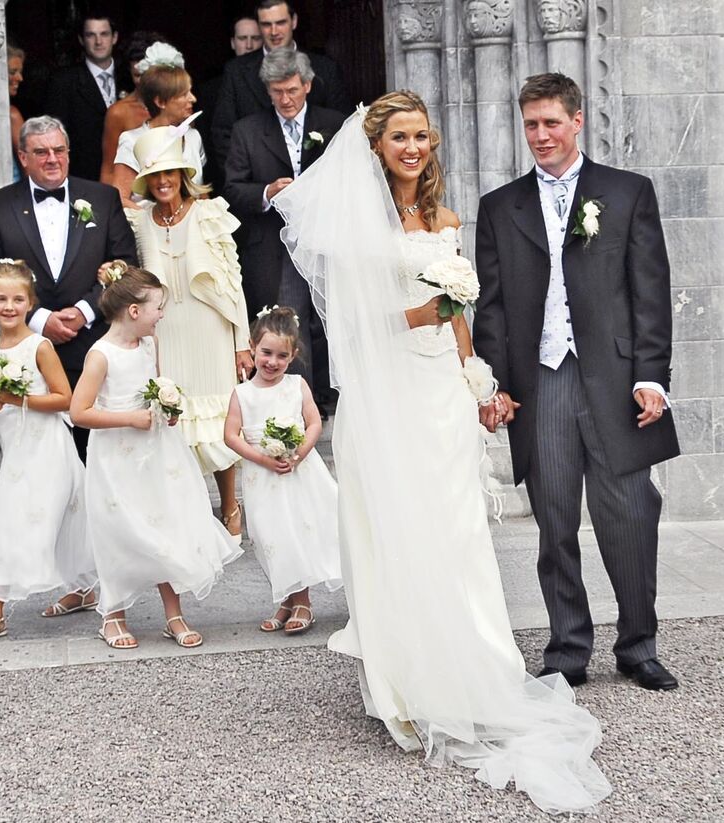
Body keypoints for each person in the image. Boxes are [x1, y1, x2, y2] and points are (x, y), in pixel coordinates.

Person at [272, 92, 611, 814]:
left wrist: (477, 383)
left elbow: (461, 321)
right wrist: (422, 313)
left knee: (458, 533)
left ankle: (476, 668)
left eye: (422, 135)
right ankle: (409, 685)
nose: (413, 147)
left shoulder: (448, 220)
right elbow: (352, 330)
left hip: (441, 393)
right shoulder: (359, 229)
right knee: (402, 533)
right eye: (399, 136)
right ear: (377, 145)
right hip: (386, 394)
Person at [473, 73, 682, 691]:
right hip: (543, 382)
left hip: (616, 383)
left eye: (551, 123)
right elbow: (492, 307)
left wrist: (652, 377)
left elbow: (651, 293)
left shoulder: (627, 192)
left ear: (577, 121)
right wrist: (498, 384)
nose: (541, 135)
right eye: (531, 124)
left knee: (629, 517)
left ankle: (638, 645)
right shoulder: (499, 206)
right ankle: (568, 647)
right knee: (555, 522)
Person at [0, 114, 137, 618]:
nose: (52, 160)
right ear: (23, 157)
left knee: (99, 469)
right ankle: (75, 579)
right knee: (51, 479)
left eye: (60, 150)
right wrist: (41, 317)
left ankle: (103, 581)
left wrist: (87, 309)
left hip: (96, 347)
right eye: (41, 152)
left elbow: (123, 261)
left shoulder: (104, 198)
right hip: (33, 346)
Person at [69, 267, 243, 649]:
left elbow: (156, 385)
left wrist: (169, 408)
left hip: (158, 450)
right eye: (158, 307)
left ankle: (173, 613)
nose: (162, 314)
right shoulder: (101, 356)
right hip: (117, 457)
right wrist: (129, 418)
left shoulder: (150, 344)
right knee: (120, 529)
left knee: (165, 523)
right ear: (134, 311)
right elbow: (79, 412)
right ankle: (112, 614)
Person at [0, 261, 95, 646]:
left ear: (30, 303)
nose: (9, 306)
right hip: (16, 449)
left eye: (18, 299)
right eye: (1, 298)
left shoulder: (40, 345)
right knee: (28, 520)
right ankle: (84, 588)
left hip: (48, 447)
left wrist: (19, 398)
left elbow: (64, 398)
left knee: (28, 521)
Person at [121, 124, 251, 537]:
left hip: (210, 326)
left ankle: (230, 507)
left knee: (216, 419)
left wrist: (241, 342)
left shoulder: (210, 212)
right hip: (164, 331)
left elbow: (233, 281)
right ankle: (190, 512)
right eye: (155, 176)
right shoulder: (138, 221)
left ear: (183, 175)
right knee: (177, 421)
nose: (163, 182)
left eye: (170, 173)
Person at [223, 49, 343, 411]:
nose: (285, 99)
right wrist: (266, 192)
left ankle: (338, 397)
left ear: (307, 85)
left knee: (333, 318)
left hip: (329, 240)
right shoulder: (247, 130)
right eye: (277, 92)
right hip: (277, 243)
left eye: (292, 90)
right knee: (291, 320)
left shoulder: (334, 124)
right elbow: (231, 187)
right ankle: (301, 404)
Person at [224, 307, 341, 635]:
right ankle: (288, 600)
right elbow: (231, 435)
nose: (272, 362)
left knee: (295, 531)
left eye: (281, 356)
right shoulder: (242, 394)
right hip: (262, 477)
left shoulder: (296, 385)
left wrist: (300, 453)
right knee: (272, 536)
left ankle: (302, 600)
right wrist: (261, 458)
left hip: (297, 474)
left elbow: (314, 421)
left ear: (293, 355)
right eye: (266, 353)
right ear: (252, 346)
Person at [209, 0, 350, 163]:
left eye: (281, 23)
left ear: (294, 21)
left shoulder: (325, 68)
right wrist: (255, 182)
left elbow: (342, 127)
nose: (274, 31)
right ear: (259, 26)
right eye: (266, 25)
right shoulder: (236, 71)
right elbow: (222, 134)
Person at [112, 46, 206, 207]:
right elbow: (120, 199)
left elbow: (200, 194)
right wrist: (158, 227)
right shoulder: (132, 141)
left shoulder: (193, 136)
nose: (193, 99)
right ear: (160, 102)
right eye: (184, 94)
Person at [45, 13, 129, 182]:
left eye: (104, 34)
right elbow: (55, 133)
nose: (98, 42)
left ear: (115, 37)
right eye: (91, 35)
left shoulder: (129, 76)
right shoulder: (63, 81)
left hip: (131, 174)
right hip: (85, 177)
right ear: (82, 40)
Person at [197, 16, 264, 187]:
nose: (249, 45)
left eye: (255, 38)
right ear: (233, 43)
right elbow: (211, 139)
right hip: (227, 179)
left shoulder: (272, 84)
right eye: (242, 38)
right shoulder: (209, 90)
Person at [99, 31, 168, 187]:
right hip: (134, 198)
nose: (144, 82)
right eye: (137, 75)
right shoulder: (119, 113)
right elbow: (109, 171)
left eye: (147, 74)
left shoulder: (178, 106)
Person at [7, 44, 25, 182]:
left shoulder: (12, 114)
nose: (19, 78)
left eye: (20, 71)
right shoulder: (11, 114)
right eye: (13, 72)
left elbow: (27, 162)